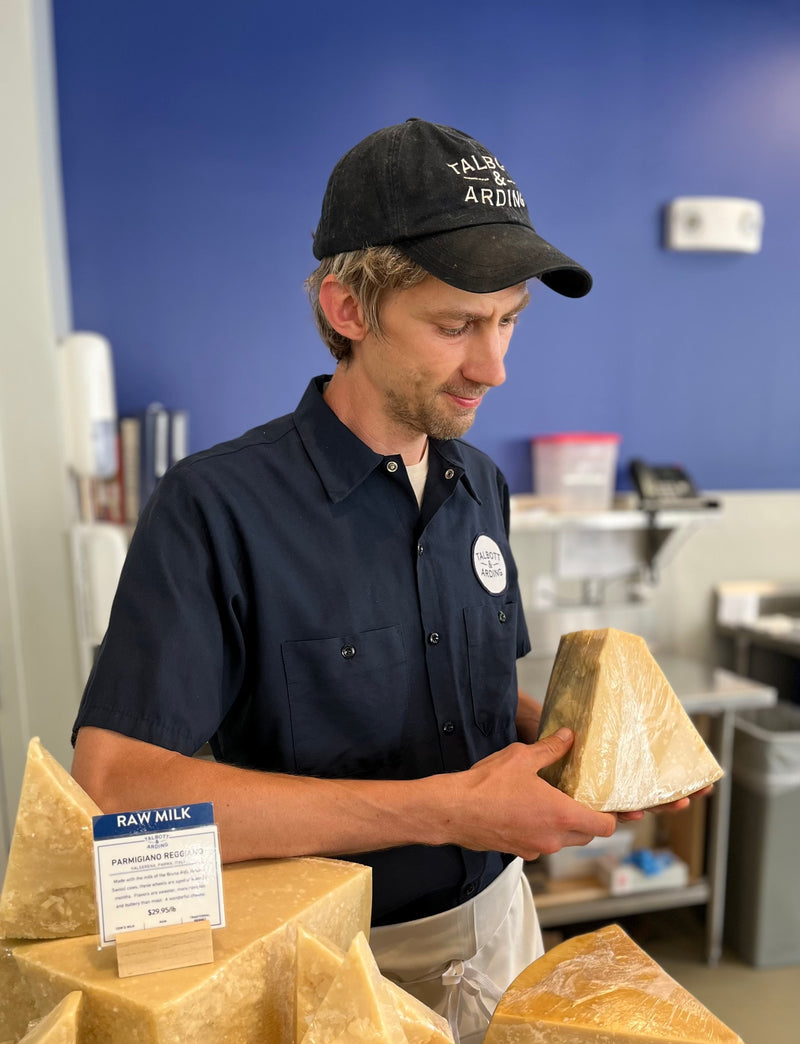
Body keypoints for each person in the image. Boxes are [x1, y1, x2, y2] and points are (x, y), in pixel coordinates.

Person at [71, 119, 695, 1043]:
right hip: (323, 959)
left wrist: (590, 746)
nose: (495, 365)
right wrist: (445, 809)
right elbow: (119, 790)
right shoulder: (214, 507)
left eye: (510, 317)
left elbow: (472, 695)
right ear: (349, 309)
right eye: (457, 326)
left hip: (497, 930)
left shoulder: (477, 484)